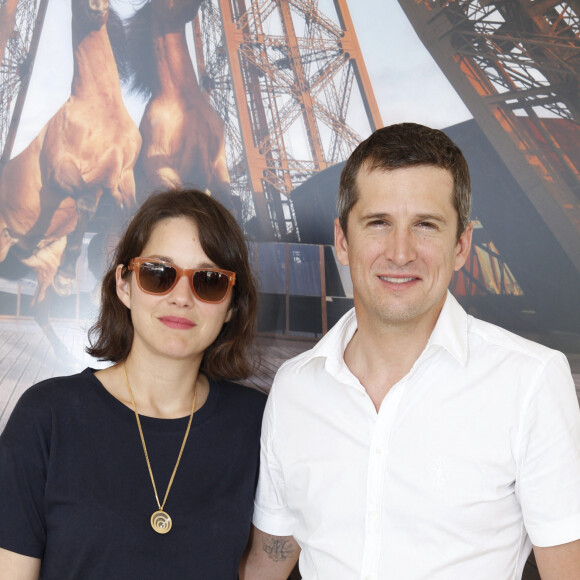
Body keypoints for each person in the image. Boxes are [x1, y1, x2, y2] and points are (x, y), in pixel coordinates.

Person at [240, 123, 580, 579]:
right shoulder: (294, 388)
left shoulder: (532, 381)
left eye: (425, 225)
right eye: (378, 223)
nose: (400, 253)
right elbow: (269, 560)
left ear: (461, 246)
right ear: (343, 241)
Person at [0, 188, 266, 579]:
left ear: (231, 305)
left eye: (208, 281)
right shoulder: (47, 417)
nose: (181, 297)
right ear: (124, 285)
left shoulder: (257, 423)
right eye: (159, 274)